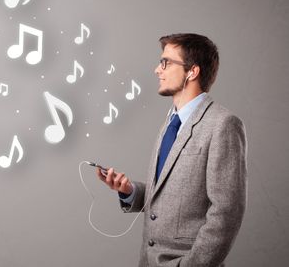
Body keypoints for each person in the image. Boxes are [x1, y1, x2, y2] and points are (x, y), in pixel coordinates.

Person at [97, 33, 247, 267]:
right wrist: (129, 191)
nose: (158, 70)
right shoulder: (171, 121)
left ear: (192, 71)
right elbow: (173, 197)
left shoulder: (223, 124)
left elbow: (227, 213)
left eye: (165, 62)